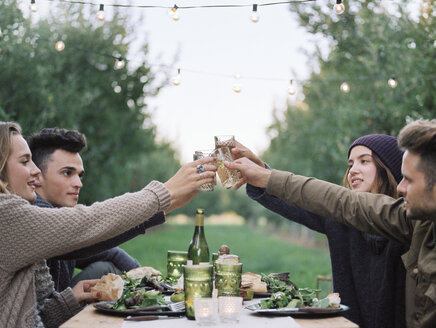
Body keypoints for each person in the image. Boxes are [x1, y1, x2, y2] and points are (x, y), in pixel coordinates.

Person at [0, 121, 216, 328]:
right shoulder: (6, 215)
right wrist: (164, 194)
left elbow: (30, 317)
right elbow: (88, 224)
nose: (35, 171)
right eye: (24, 161)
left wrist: (68, 301)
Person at [226, 119, 436, 328]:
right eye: (350, 164)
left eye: (364, 161)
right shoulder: (342, 220)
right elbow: (318, 199)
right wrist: (262, 173)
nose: (353, 170)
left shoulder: (413, 222)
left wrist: (265, 175)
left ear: (388, 168)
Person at [28, 128, 152, 292]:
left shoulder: (63, 217)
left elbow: (109, 252)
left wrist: (147, 280)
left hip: (57, 306)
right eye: (67, 173)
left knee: (106, 267)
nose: (78, 183)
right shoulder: (32, 216)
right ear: (37, 177)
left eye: (80, 175)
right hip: (40, 315)